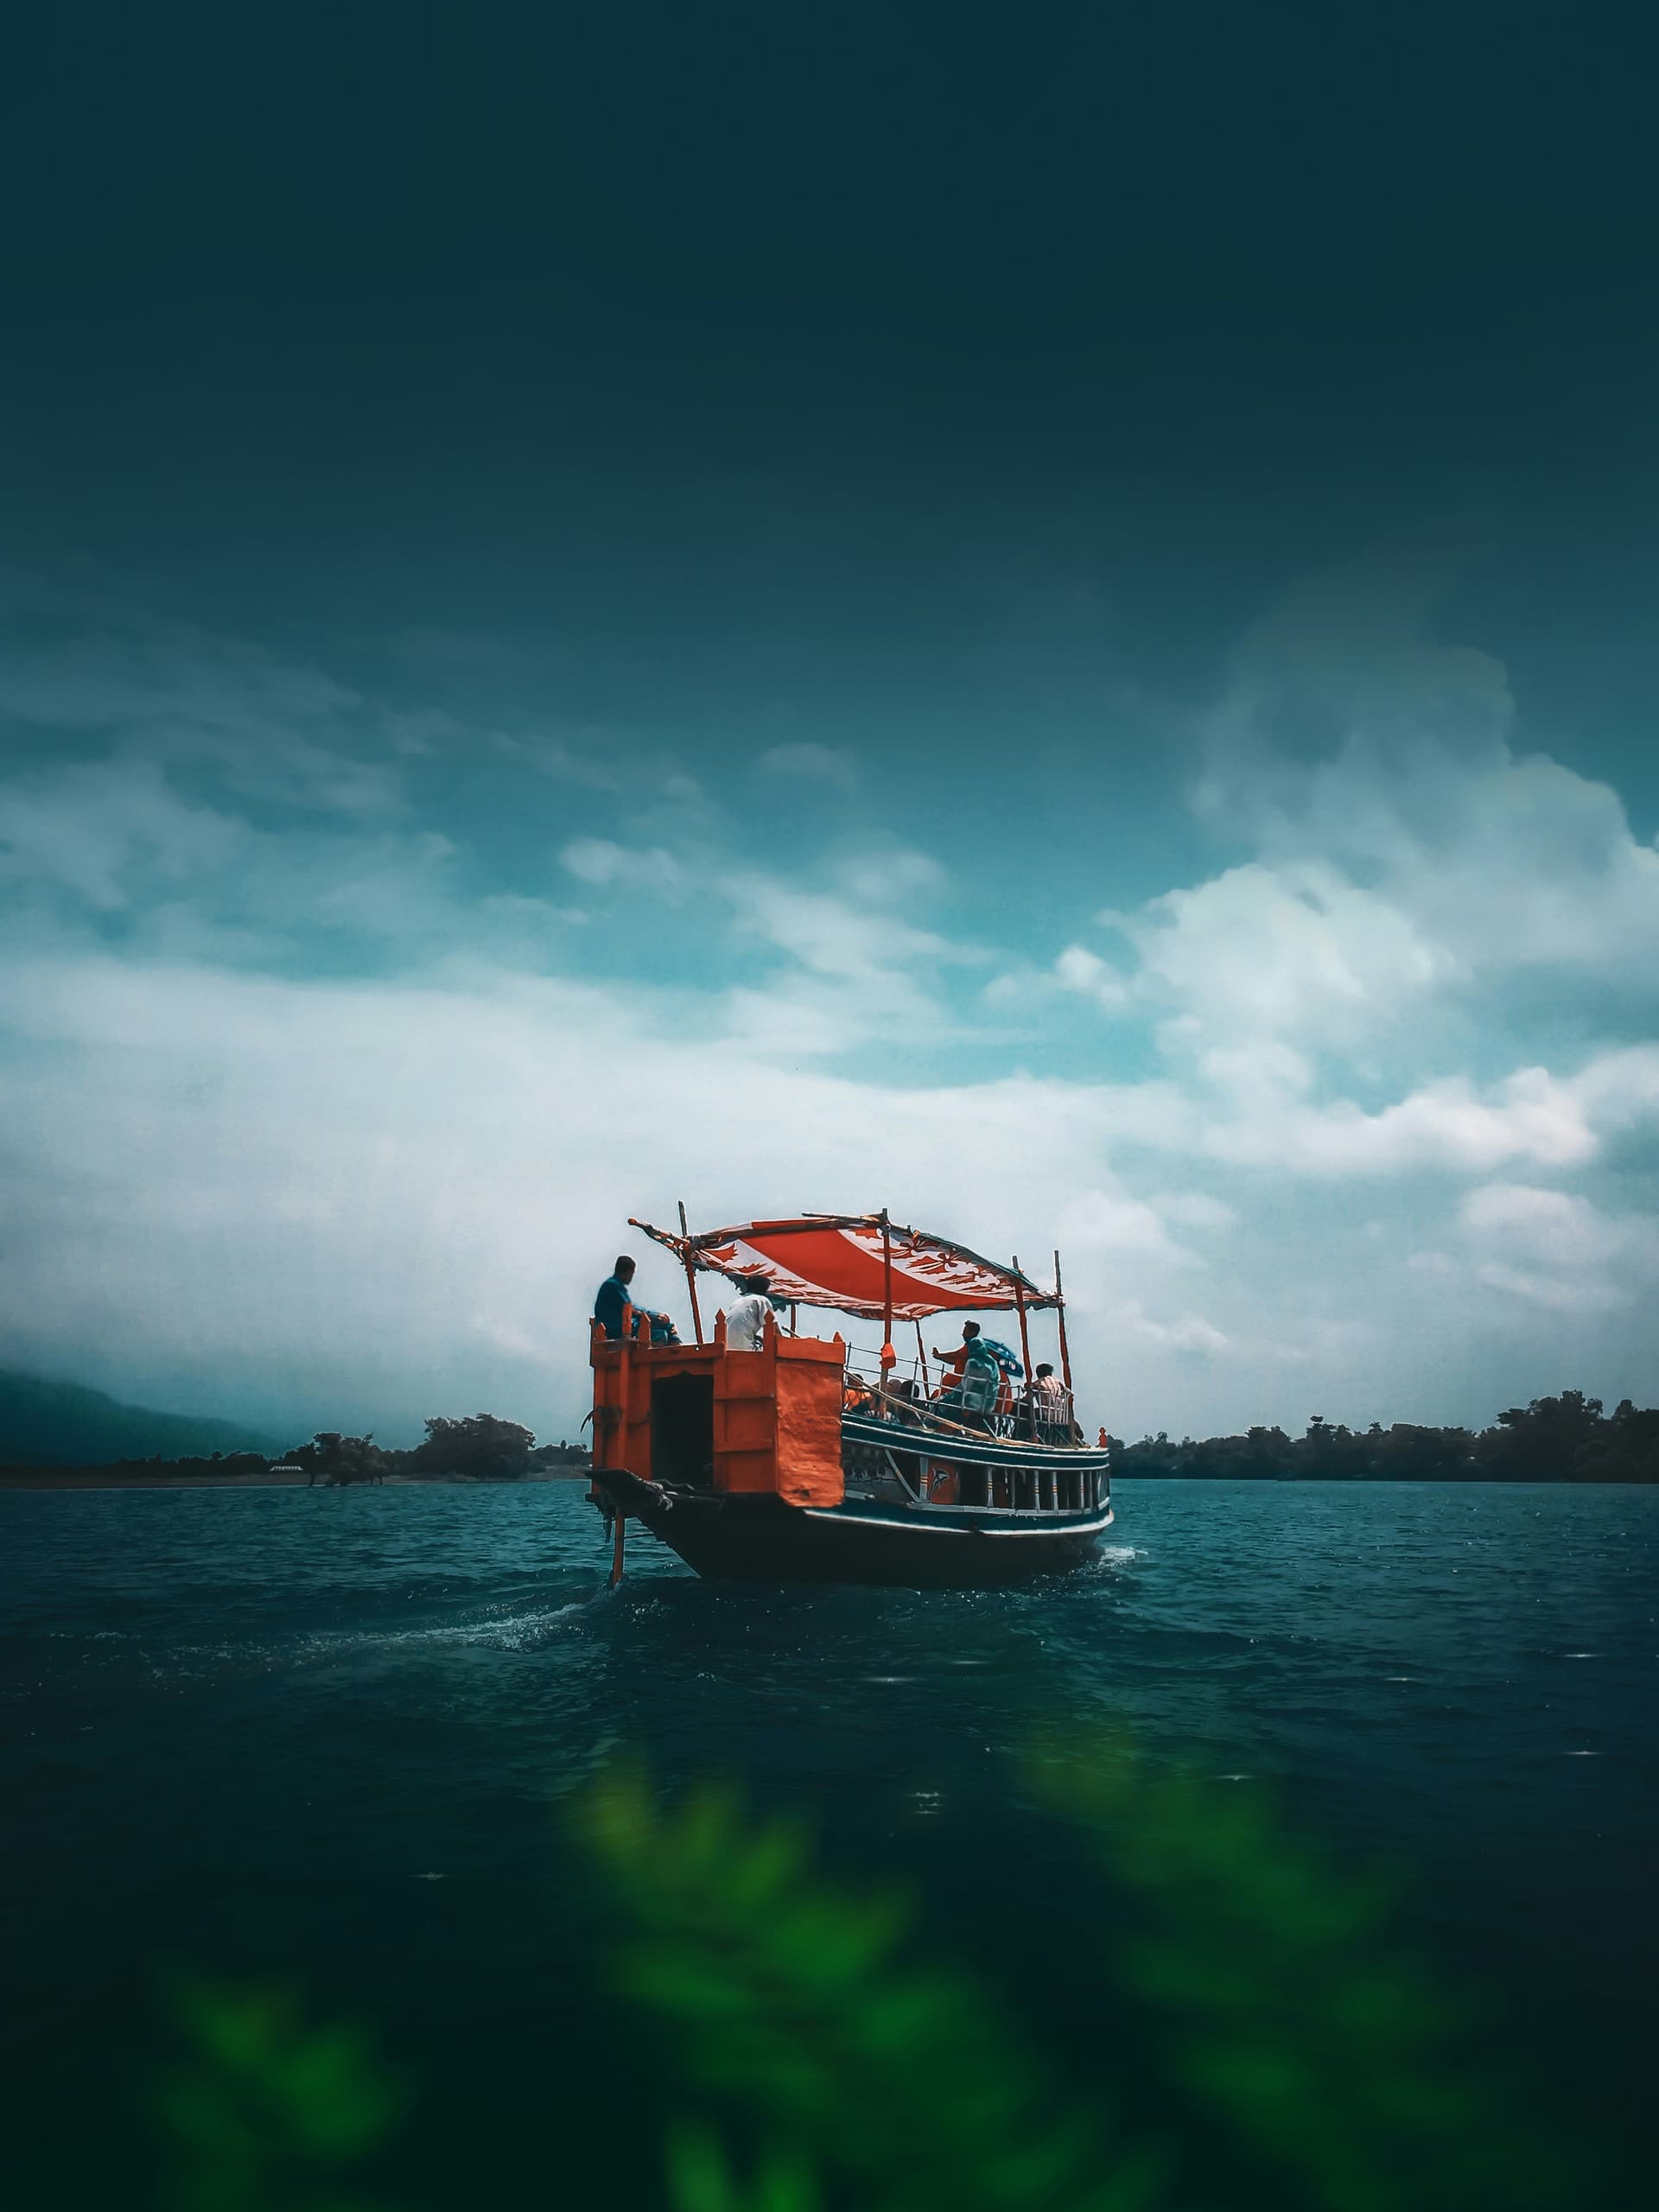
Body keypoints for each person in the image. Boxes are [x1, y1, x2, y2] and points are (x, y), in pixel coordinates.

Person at [593, 1255, 674, 1343]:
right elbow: (630, 1309)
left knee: (665, 1330)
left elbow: (633, 1308)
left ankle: (676, 1341)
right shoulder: (612, 1286)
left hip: (623, 1327)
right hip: (616, 1331)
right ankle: (679, 1347)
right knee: (662, 1333)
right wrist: (655, 1317)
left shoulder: (613, 1285)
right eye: (632, 1273)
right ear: (628, 1272)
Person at [724, 1273, 780, 1351]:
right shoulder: (761, 1300)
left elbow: (739, 1327)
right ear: (763, 1289)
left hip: (727, 1348)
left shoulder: (737, 1302)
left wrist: (756, 1337)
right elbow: (774, 1328)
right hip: (746, 1349)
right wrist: (785, 1344)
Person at [930, 1320, 982, 1395]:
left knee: (948, 1379)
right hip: (961, 1380)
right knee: (938, 1391)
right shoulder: (968, 1346)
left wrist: (940, 1355)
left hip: (964, 1381)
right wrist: (939, 1357)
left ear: (972, 1333)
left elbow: (957, 1354)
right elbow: (954, 1360)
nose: (962, 1334)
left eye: (965, 1331)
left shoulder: (972, 1346)